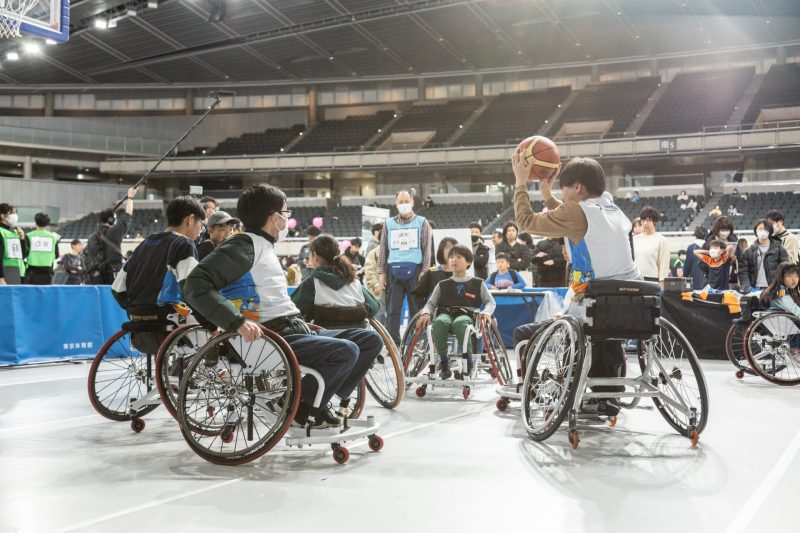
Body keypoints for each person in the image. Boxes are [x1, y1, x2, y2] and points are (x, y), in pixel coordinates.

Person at [184, 184, 383, 428]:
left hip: (294, 330)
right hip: (272, 337)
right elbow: (195, 285)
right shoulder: (242, 246)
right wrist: (237, 322)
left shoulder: (263, 245)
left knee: (370, 341)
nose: (288, 219)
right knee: (346, 350)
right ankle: (297, 406)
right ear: (274, 217)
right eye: (286, 213)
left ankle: (315, 398)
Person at [512, 155, 641, 417]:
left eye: (565, 189)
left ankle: (541, 391)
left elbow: (525, 221)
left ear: (578, 187)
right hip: (631, 307)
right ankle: (608, 395)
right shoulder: (612, 209)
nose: (563, 195)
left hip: (593, 309)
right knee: (603, 336)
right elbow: (573, 218)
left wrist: (520, 182)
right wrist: (548, 196)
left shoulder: (576, 212)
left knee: (524, 333)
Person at [111, 197, 204, 359]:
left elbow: (117, 290)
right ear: (190, 219)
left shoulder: (145, 243)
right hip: (167, 321)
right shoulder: (184, 244)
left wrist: (138, 310)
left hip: (138, 323)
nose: (201, 231)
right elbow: (192, 289)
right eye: (201, 225)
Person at [417, 244, 496, 379]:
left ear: (468, 262)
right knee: (439, 323)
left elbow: (490, 301)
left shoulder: (477, 283)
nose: (454, 259)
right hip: (446, 313)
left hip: (467, 315)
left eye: (459, 257)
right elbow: (431, 303)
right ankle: (444, 362)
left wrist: (486, 312)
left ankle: (469, 360)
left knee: (460, 323)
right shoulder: (442, 284)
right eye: (451, 257)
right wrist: (425, 312)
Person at [377, 190, 433, 343]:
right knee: (393, 310)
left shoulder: (422, 222)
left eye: (406, 201)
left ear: (412, 202)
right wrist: (381, 273)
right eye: (401, 202)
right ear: (396, 204)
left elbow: (427, 249)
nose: (404, 204)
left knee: (416, 309)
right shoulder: (388, 223)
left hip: (416, 270)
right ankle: (393, 343)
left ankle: (416, 342)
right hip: (393, 270)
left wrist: (424, 271)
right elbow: (383, 250)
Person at [291, 234, 379, 329]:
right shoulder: (353, 281)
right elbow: (374, 307)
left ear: (315, 256)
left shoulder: (312, 282)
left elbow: (292, 309)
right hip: (360, 335)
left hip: (324, 336)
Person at [86, 187, 139, 284]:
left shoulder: (91, 237)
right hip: (113, 273)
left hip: (96, 275)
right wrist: (130, 197)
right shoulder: (114, 231)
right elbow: (128, 215)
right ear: (112, 220)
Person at [738, 220, 789, 293]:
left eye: (766, 229)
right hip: (754, 289)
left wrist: (781, 286)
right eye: (760, 229)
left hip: (773, 288)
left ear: (770, 231)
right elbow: (743, 272)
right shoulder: (748, 251)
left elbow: (785, 269)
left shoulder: (779, 249)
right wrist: (747, 287)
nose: (763, 231)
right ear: (756, 231)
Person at [411, 237, 457, 310]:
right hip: (436, 312)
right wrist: (425, 310)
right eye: (447, 247)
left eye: (454, 247)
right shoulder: (432, 272)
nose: (451, 250)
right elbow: (416, 295)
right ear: (441, 250)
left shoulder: (461, 273)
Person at [633, 206, 670, 284]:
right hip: (635, 278)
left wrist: (662, 281)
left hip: (652, 280)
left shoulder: (662, 240)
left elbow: (664, 264)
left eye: (648, 220)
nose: (645, 223)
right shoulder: (635, 239)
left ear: (654, 221)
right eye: (643, 220)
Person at [24, 212, 61, 285]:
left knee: (31, 292)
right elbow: (57, 255)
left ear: (35, 222)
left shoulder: (28, 236)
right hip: (47, 272)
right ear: (47, 223)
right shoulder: (54, 237)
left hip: (32, 271)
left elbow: (25, 253)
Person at [759, 263, 800, 329]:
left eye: (796, 275)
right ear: (781, 277)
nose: (794, 280)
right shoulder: (780, 292)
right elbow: (793, 309)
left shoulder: (777, 290)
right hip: (783, 326)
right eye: (789, 276)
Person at [0, 203, 28, 285]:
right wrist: (1, 277)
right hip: (6, 272)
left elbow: (23, 255)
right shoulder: (1, 232)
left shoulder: (16, 232)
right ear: (2, 215)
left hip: (19, 272)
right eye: (12, 213)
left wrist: (22, 240)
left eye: (16, 213)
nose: (15, 216)